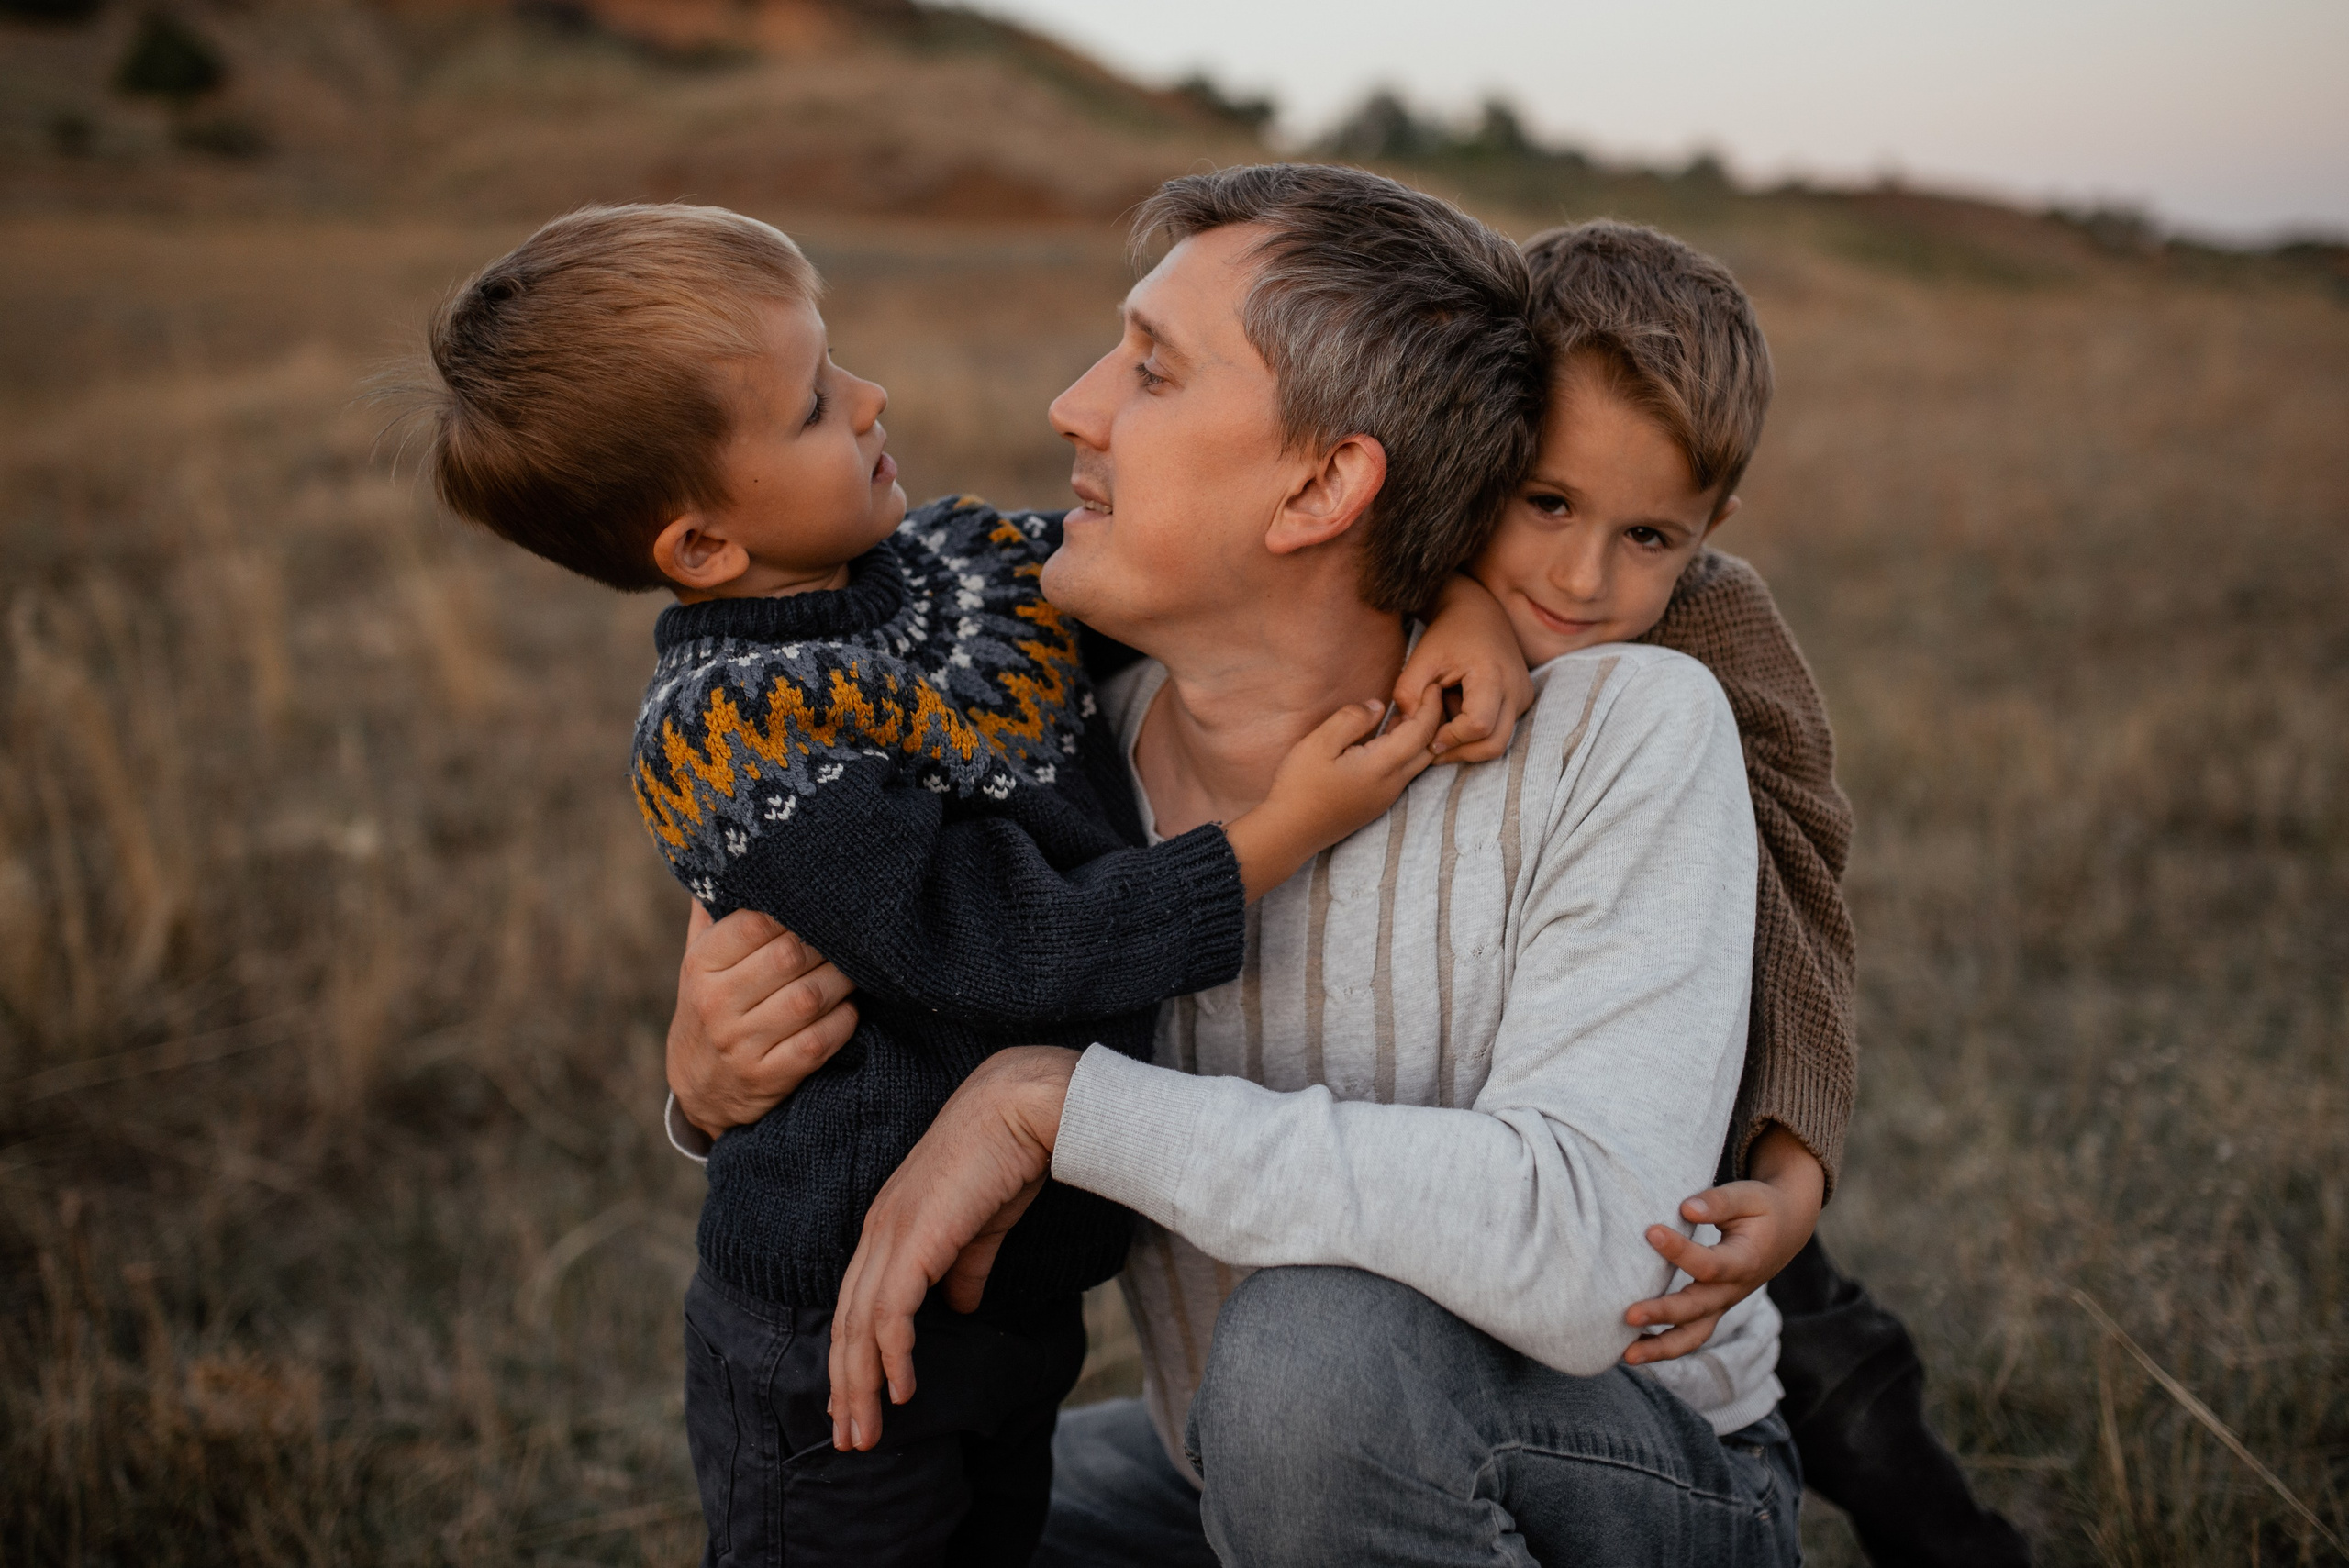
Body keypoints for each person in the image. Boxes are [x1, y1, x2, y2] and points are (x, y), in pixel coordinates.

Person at [674, 193, 2029, 1566]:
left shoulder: (1633, 723)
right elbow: (886, 901)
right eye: (1545, 508)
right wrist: (713, 1080)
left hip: (1616, 1463)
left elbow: (1588, 1254)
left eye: (1150, 368)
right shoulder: (1065, 747)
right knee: (902, 1482)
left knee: (1315, 1368)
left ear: (1325, 486)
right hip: (1222, 1459)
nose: (1070, 406)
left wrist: (1059, 1107)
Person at [404, 198, 1541, 1565]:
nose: (873, 397)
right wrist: (1277, 834)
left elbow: (1190, 581)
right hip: (844, 1327)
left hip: (1019, 1296)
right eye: (817, 404)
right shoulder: (735, 728)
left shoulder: (955, 566)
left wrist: (1462, 592)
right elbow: (1005, 948)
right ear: (701, 545)